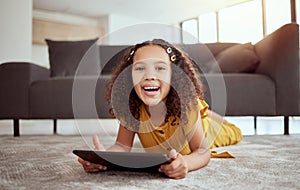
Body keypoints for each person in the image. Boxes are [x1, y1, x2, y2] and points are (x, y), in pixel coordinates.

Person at [78, 39, 242, 179]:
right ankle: (205, 114)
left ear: (174, 76)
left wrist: (186, 163)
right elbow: (122, 146)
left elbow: (202, 151)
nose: (149, 75)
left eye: (160, 68)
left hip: (208, 130)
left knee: (234, 132)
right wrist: (103, 159)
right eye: (140, 68)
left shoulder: (187, 105)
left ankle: (208, 116)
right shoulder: (132, 108)